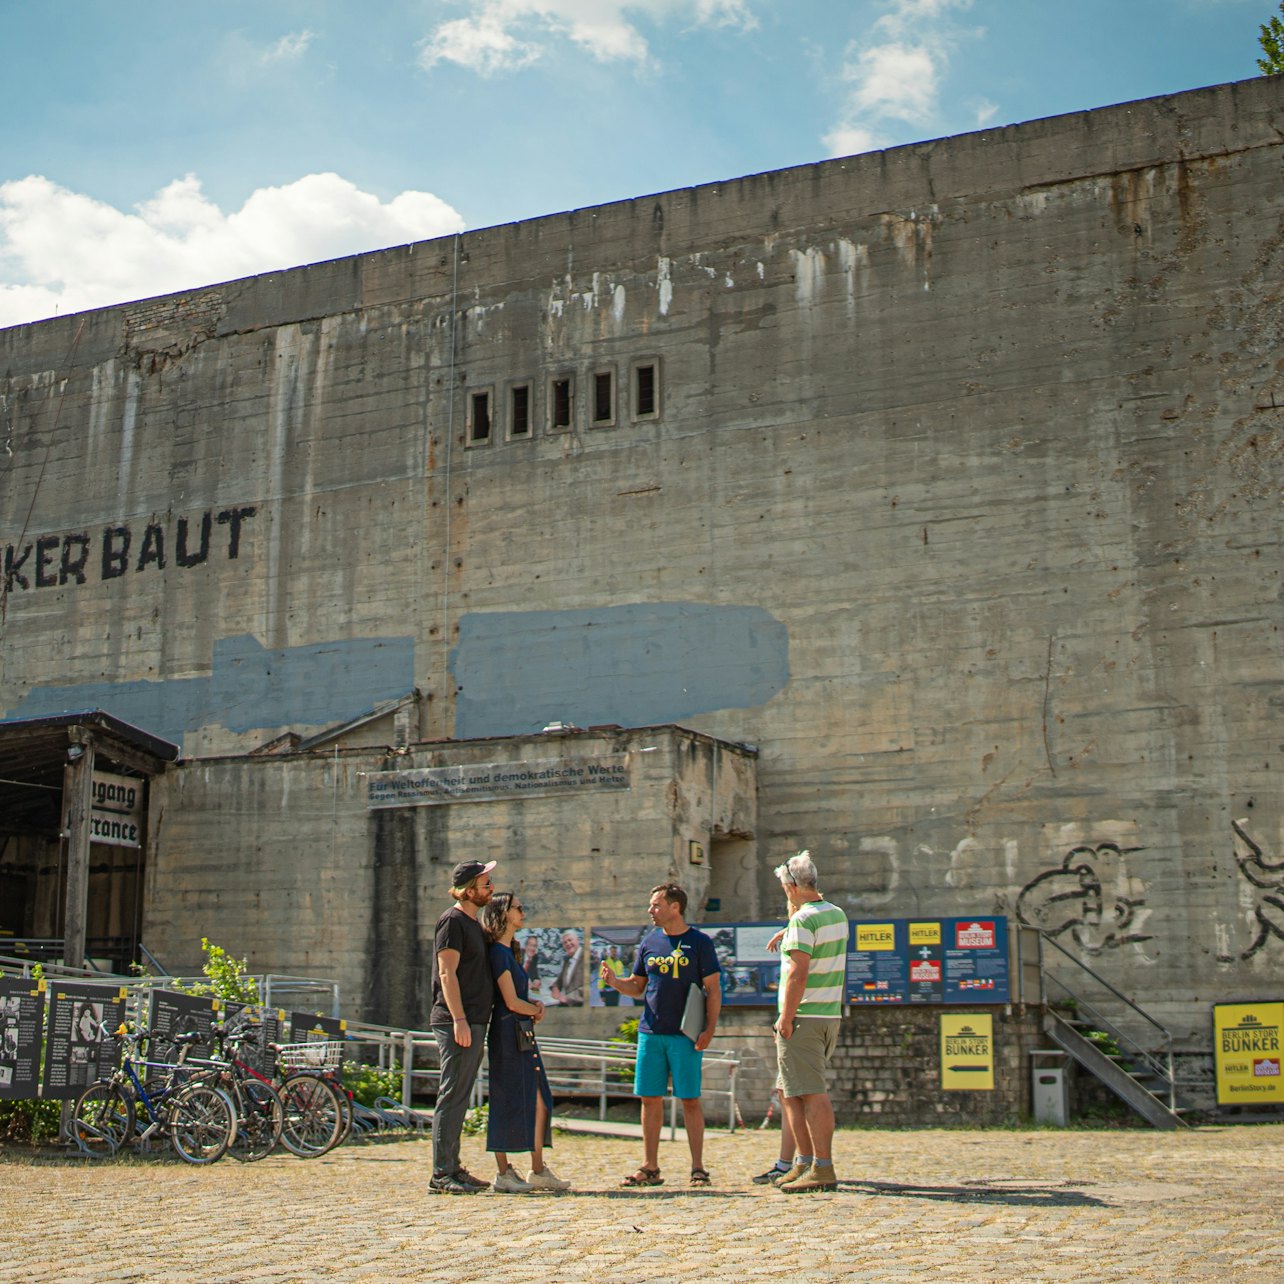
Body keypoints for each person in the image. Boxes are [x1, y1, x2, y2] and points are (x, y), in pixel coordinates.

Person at [600, 883, 721, 1188]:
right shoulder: (649, 943)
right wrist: (615, 982)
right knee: (650, 1099)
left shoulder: (700, 943)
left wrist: (709, 1029)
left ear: (675, 907)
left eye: (655, 905)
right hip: (650, 1033)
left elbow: (713, 989)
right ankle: (650, 1167)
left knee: (690, 1100)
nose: (650, 910)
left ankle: (698, 1168)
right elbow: (637, 986)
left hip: (685, 1035)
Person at [479, 892, 570, 1193]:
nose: (523, 912)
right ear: (504, 914)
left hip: (522, 1032)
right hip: (508, 1035)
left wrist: (532, 1007)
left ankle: (538, 1168)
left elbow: (519, 998)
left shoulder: (511, 951)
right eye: (518, 908)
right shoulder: (498, 953)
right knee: (506, 1100)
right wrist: (536, 1009)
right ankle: (504, 1171)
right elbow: (509, 1000)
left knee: (540, 1097)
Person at [770, 850, 849, 1193]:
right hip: (828, 1015)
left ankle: (823, 1166)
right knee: (789, 1090)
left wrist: (786, 1018)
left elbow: (798, 974)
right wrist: (787, 929)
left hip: (804, 1016)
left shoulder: (803, 920)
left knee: (811, 1093)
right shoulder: (835, 913)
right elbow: (811, 927)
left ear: (791, 886)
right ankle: (804, 1161)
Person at [429, 859, 497, 1194]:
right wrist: (458, 1019)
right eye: (486, 884)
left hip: (472, 1020)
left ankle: (453, 1168)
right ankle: (442, 1175)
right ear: (469, 889)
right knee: (452, 1095)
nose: (491, 888)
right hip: (456, 1020)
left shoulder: (474, 923)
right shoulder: (452, 921)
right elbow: (446, 974)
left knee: (459, 1097)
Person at [549, 930, 584, 1005]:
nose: (568, 943)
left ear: (577, 940)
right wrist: (555, 988)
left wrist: (567, 998)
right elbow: (559, 980)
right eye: (565, 942)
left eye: (570, 940)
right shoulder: (567, 960)